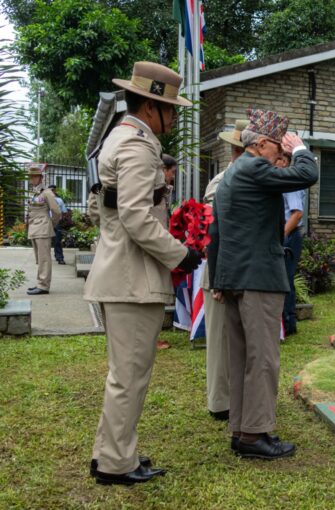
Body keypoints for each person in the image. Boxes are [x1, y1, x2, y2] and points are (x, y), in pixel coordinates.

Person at [84, 61, 202, 486]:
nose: (173, 117)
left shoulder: (123, 136)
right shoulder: (137, 145)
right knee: (129, 377)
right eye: (171, 108)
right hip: (131, 280)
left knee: (125, 376)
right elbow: (136, 216)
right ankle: (116, 463)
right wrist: (179, 254)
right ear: (152, 107)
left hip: (123, 275)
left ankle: (111, 453)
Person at [208, 109, 318, 460]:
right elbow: (308, 173)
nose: (280, 155)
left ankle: (242, 430)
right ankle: (255, 436)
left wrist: (220, 280)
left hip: (237, 278)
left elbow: (218, 234)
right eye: (278, 146)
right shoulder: (255, 167)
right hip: (258, 280)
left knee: (242, 358)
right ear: (262, 143)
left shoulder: (232, 174)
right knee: (263, 358)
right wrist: (300, 149)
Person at [202, 118, 248, 421]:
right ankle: (220, 402)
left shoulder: (249, 178)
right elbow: (214, 230)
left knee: (239, 341)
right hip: (221, 272)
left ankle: (239, 398)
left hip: (244, 271)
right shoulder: (223, 181)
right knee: (220, 341)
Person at [26, 166, 61, 295]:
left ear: (41, 177)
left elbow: (56, 211)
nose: (32, 179)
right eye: (31, 176)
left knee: (44, 258)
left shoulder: (47, 192)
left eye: (35, 176)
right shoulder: (34, 192)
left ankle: (43, 286)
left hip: (43, 228)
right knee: (39, 258)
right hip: (35, 228)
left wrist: (51, 224)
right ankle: (40, 282)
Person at [281, 158, 305, 337]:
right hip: (285, 234)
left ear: (285, 161)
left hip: (289, 235)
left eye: (278, 159)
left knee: (286, 279)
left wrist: (281, 236)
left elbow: (297, 214)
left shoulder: (291, 183)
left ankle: (288, 323)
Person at [48, 185, 67, 265]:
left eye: (53, 190)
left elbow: (64, 211)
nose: (52, 192)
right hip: (47, 222)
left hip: (57, 223)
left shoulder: (59, 200)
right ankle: (44, 259)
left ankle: (60, 258)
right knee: (46, 242)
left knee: (57, 241)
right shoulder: (45, 200)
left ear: (55, 191)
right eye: (50, 190)